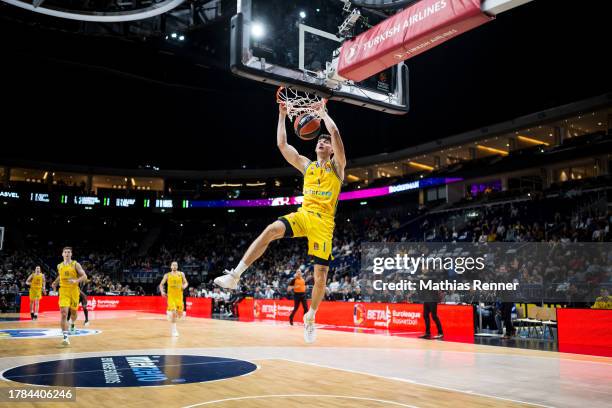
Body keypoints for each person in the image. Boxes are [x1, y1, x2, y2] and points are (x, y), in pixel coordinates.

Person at [214, 103, 345, 343]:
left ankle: (311, 317)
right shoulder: (308, 166)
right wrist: (282, 115)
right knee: (271, 229)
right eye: (320, 141)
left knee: (320, 277)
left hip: (324, 224)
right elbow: (283, 146)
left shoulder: (337, 168)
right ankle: (235, 275)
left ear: (331, 150)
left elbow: (335, 135)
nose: (322, 143)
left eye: (325, 143)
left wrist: (323, 113)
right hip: (304, 215)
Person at [51, 247, 88, 346]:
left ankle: (72, 323)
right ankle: (65, 337)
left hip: (74, 291)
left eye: (69, 252)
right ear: (62, 254)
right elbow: (60, 275)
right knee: (63, 314)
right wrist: (55, 282)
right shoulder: (59, 266)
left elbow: (85, 277)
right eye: (65, 252)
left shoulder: (75, 264)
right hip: (63, 291)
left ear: (71, 254)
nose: (67, 253)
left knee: (74, 313)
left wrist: (76, 281)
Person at [159, 262, 188, 337]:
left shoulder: (181, 274)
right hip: (171, 297)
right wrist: (162, 291)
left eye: (176, 265)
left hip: (179, 297)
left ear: (177, 266)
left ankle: (170, 314)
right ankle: (174, 331)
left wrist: (184, 286)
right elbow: (161, 284)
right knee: (174, 313)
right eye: (173, 265)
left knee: (180, 315)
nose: (174, 266)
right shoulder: (167, 275)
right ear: (171, 266)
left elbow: (186, 283)